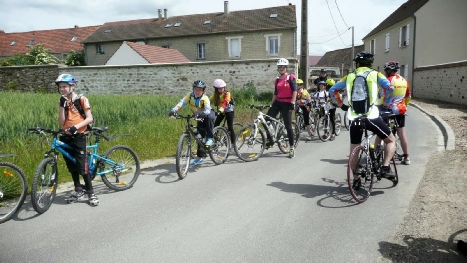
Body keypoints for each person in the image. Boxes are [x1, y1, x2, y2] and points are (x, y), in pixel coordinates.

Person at [329, 52, 397, 180]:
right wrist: (386, 104)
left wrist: (340, 104)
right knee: (391, 140)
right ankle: (385, 168)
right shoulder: (376, 74)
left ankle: (356, 179)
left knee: (354, 148)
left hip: (354, 117)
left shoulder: (349, 76)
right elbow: (390, 89)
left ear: (357, 64)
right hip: (371, 116)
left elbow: (333, 90)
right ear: (370, 64)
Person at [56, 74, 99, 206]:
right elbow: (62, 122)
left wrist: (76, 127)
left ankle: (91, 192)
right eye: (60, 87)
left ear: (72, 86)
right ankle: (78, 189)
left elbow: (89, 118)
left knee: (82, 165)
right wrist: (62, 107)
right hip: (66, 135)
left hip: (79, 135)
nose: (62, 89)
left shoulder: (82, 99)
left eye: (64, 86)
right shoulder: (62, 101)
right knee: (71, 165)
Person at [169, 80, 215, 166]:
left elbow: (208, 109)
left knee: (210, 118)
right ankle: (200, 157)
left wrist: (202, 114)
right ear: (193, 89)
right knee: (199, 136)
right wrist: (174, 110)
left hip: (206, 113)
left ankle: (209, 138)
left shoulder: (205, 98)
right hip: (197, 115)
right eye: (196, 89)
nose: (197, 91)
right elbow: (182, 102)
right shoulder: (190, 96)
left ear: (203, 91)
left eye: (200, 90)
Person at [380, 61, 412, 165]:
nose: (385, 72)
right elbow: (408, 96)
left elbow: (382, 96)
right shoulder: (404, 80)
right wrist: (405, 105)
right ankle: (407, 157)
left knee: (382, 132)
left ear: (389, 71)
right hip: (401, 110)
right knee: (402, 134)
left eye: (386, 70)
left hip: (388, 110)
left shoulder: (387, 80)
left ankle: (379, 154)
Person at [267, 58, 297, 158]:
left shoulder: (290, 77)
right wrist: (271, 104)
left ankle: (292, 148)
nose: (281, 68)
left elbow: (295, 91)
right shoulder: (277, 80)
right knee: (267, 119)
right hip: (278, 102)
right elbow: (275, 93)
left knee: (288, 125)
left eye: (283, 67)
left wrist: (293, 102)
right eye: (279, 67)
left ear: (286, 67)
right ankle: (271, 139)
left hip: (287, 103)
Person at [210, 79, 235, 143]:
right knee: (215, 126)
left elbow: (225, 102)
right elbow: (208, 101)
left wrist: (221, 109)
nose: (222, 90)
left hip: (229, 111)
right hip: (221, 111)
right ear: (216, 89)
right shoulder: (215, 95)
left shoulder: (227, 93)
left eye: (222, 88)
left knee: (230, 127)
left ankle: (233, 145)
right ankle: (216, 142)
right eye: (219, 89)